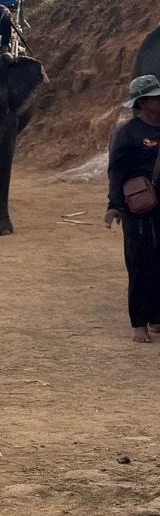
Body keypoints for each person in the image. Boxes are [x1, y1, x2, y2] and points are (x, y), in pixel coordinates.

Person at [105, 74, 160, 343]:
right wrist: (114, 205)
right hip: (138, 206)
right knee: (139, 262)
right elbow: (116, 172)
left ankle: (156, 317)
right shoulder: (127, 133)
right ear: (143, 102)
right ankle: (139, 323)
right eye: (156, 97)